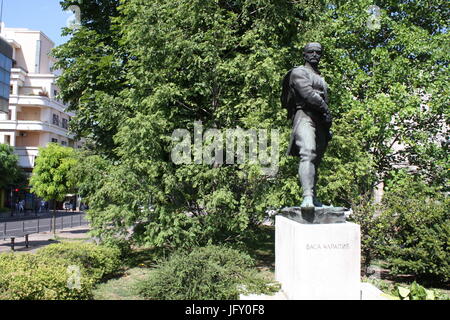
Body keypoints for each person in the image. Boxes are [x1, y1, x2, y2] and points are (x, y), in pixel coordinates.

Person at [281, 42, 332, 209]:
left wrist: (326, 123)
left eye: (318, 52)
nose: (315, 55)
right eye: (311, 51)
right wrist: (325, 110)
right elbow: (308, 95)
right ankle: (307, 197)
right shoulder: (298, 72)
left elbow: (322, 98)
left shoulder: (321, 78)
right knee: (308, 153)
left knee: (316, 160)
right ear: (304, 54)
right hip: (304, 116)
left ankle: (314, 196)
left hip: (320, 121)